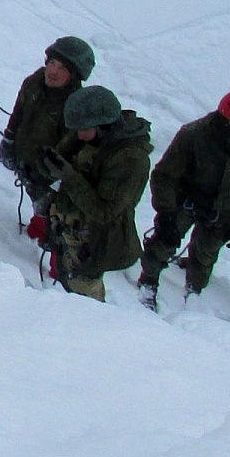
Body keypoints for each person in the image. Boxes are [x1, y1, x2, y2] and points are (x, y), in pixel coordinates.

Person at [137, 90, 230, 308]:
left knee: (206, 254)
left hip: (224, 207)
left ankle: (195, 291)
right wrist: (167, 213)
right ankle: (148, 282)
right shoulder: (193, 135)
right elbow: (164, 176)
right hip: (186, 200)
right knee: (163, 242)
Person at [37, 85, 151, 301]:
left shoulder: (130, 159)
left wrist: (69, 177)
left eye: (84, 130)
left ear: (104, 126)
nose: (79, 135)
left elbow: (105, 212)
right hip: (69, 229)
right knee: (66, 285)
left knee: (84, 296)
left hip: (94, 240)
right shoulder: (88, 134)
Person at [0, 36, 95, 242]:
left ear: (74, 76)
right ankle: (38, 227)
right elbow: (19, 112)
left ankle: (57, 258)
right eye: (52, 63)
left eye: (62, 69)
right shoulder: (34, 83)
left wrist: (47, 178)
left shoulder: (75, 106)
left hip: (50, 171)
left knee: (53, 214)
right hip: (27, 156)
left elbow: (69, 148)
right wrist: (9, 139)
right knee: (38, 203)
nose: (53, 72)